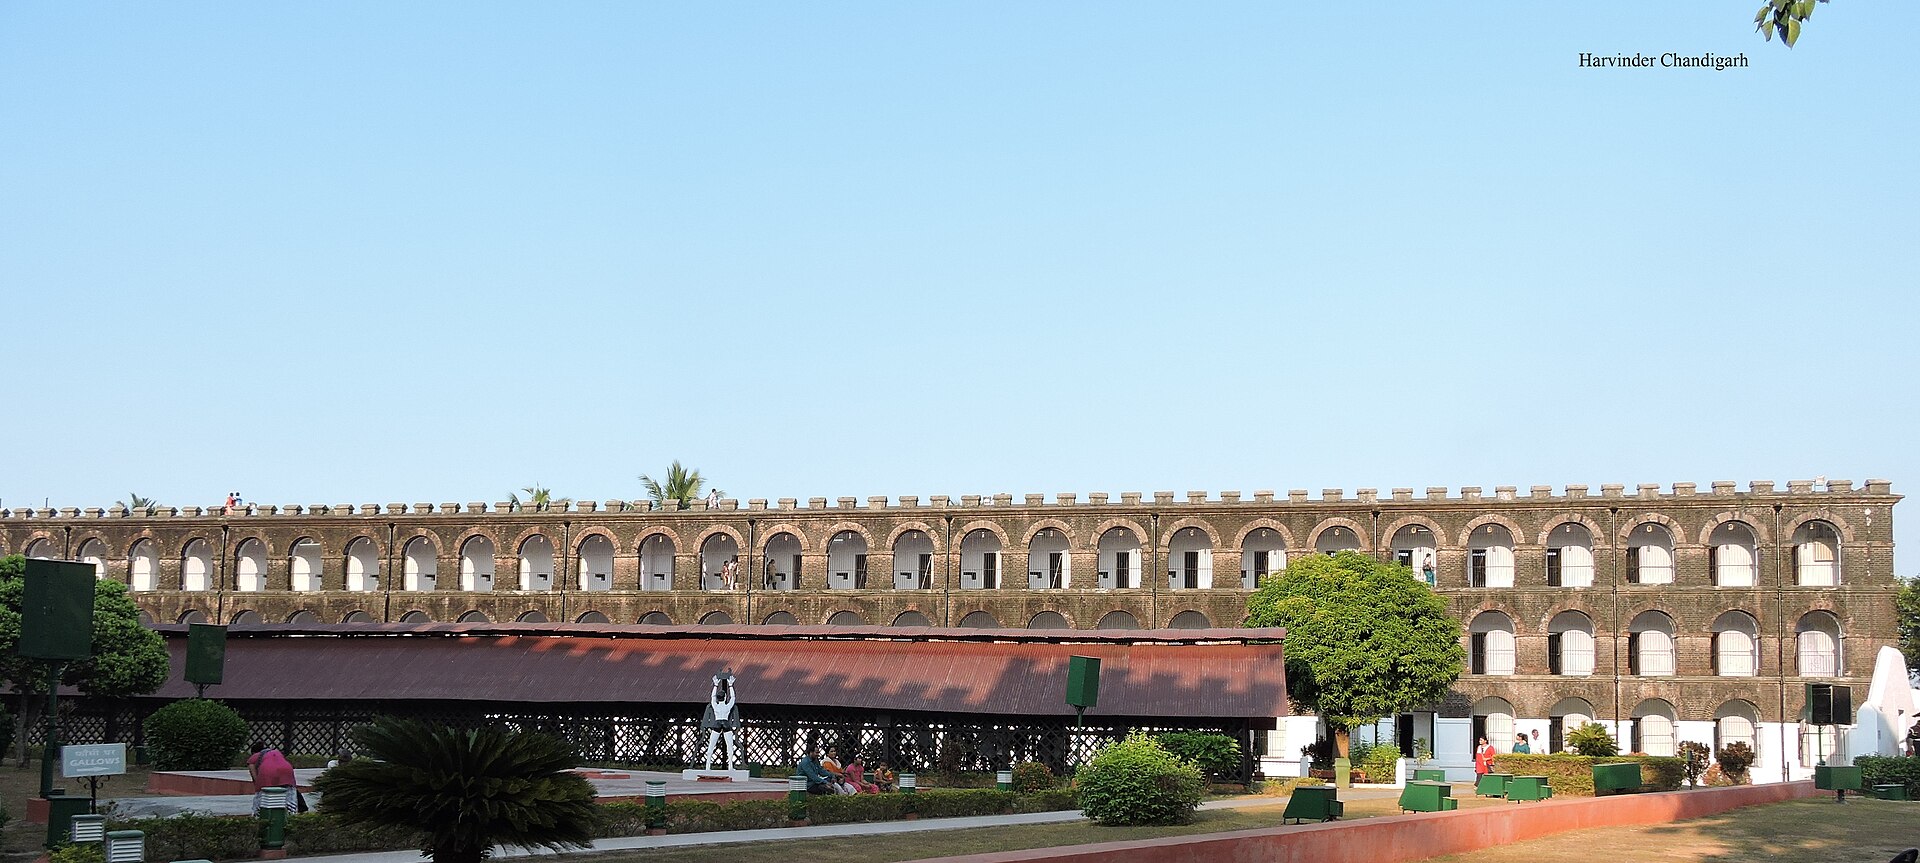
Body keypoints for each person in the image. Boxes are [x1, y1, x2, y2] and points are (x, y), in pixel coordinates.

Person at [248, 742, 304, 813]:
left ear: (253, 752)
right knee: (289, 791)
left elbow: (253, 773)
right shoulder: (276, 752)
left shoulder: (254, 756)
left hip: (267, 770)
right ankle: (292, 813)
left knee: (262, 795)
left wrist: (257, 784)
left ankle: (258, 814)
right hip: (287, 769)